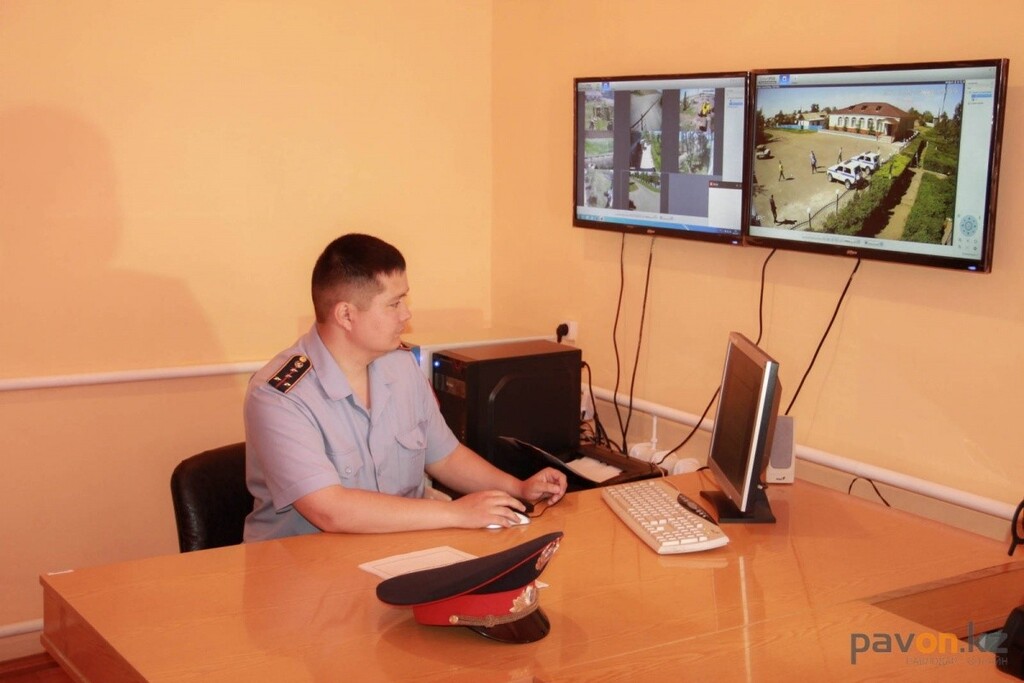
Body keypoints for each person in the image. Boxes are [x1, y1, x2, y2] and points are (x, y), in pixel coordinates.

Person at [243, 233, 568, 541]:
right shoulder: (279, 396)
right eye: (394, 304)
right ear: (346, 315)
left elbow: (446, 457)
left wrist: (518, 488)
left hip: (395, 552)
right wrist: (455, 513)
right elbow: (330, 511)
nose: (406, 315)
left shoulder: (400, 366)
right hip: (301, 566)